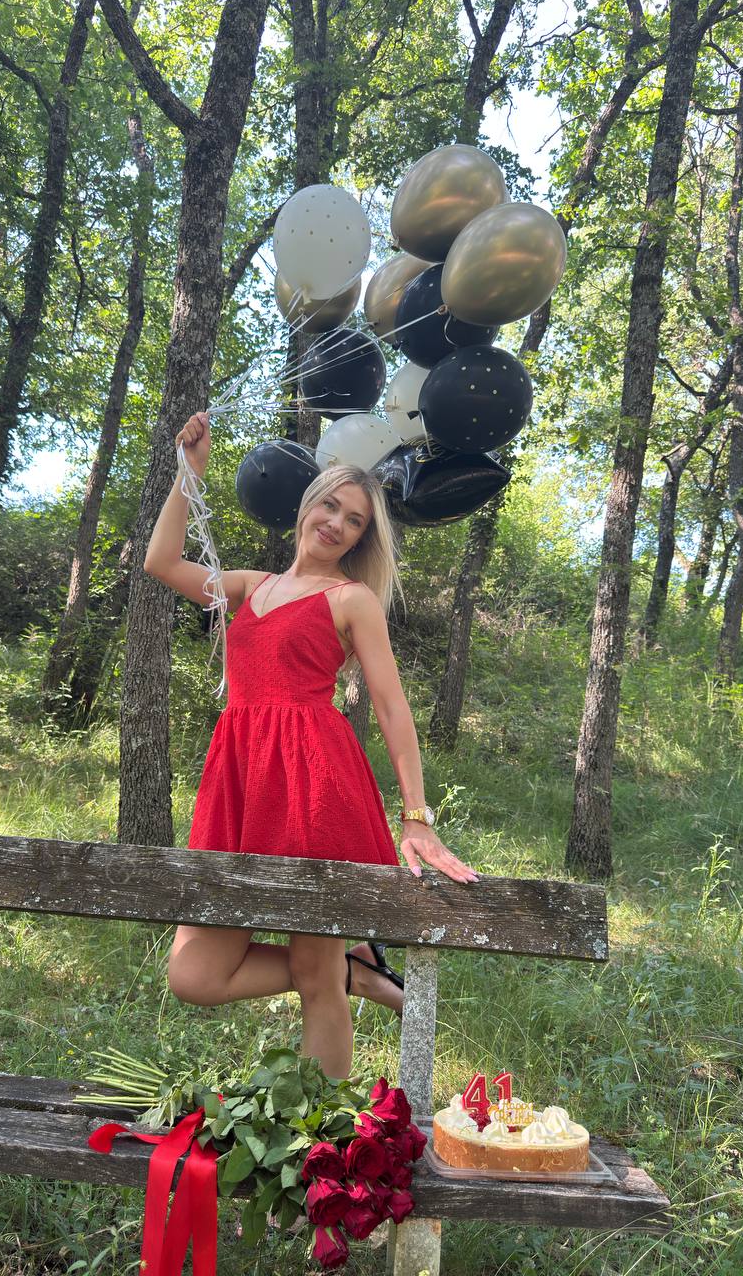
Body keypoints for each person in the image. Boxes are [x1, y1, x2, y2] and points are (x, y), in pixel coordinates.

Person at [144, 411, 477, 1079]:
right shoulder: (248, 587)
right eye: (331, 506)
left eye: (354, 521)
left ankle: (317, 1123)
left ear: (360, 538)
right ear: (308, 503)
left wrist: (417, 816)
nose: (336, 524)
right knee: (193, 975)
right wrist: (189, 475)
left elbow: (392, 707)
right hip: (240, 781)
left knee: (316, 978)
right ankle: (357, 969)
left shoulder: (352, 600)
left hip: (312, 784)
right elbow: (161, 562)